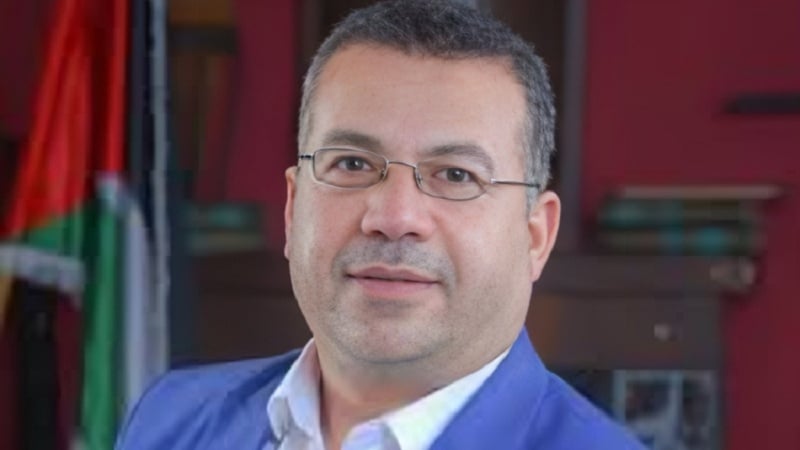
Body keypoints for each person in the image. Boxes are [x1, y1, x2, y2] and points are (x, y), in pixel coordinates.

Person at [116, 1, 646, 449]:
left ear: (535, 236)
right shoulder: (168, 421)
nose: (394, 218)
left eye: (455, 175)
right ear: (293, 207)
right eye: (352, 164)